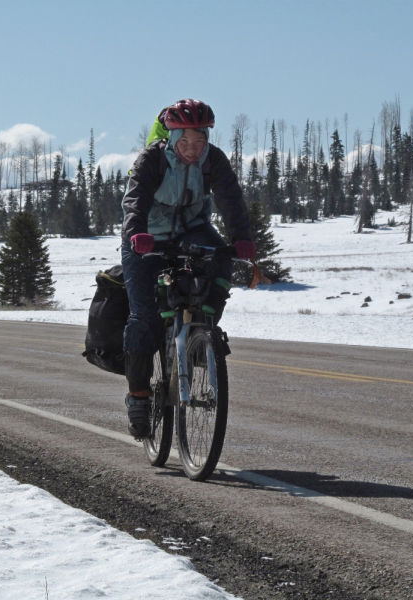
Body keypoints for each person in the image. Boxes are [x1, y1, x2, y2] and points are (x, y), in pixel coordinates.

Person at [120, 99, 256, 438]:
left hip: (192, 229)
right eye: (184, 142)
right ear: (170, 137)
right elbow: (135, 200)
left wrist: (241, 239)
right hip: (147, 235)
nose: (192, 149)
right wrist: (137, 233)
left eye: (199, 141)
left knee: (221, 261)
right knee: (143, 319)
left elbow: (231, 200)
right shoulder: (152, 159)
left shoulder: (214, 160)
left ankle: (201, 333)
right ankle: (138, 397)